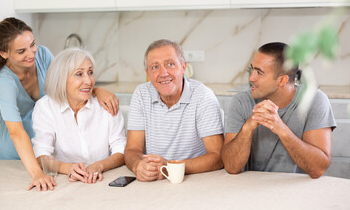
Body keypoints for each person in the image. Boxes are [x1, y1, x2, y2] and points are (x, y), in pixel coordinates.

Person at [0, 17, 119, 191]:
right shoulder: (5, 81)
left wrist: (96, 90)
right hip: (4, 137)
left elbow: (65, 81)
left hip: (28, 132)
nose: (31, 54)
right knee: (7, 187)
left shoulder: (42, 55)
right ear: (4, 53)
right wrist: (37, 174)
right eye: (21, 51)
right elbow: (16, 132)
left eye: (32, 44)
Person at [221, 42, 336, 178]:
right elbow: (231, 167)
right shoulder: (241, 102)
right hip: (251, 188)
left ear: (282, 80)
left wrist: (281, 128)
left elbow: (318, 169)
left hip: (298, 190)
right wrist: (247, 128)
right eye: (252, 70)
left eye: (259, 72)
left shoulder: (314, 100)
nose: (251, 77)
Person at [124, 39, 224, 182]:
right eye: (155, 67)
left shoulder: (203, 96)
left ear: (183, 67)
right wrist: (137, 166)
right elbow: (132, 149)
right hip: (153, 182)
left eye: (170, 64)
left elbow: (217, 156)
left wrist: (171, 167)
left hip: (197, 181)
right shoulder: (141, 94)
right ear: (148, 73)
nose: (163, 73)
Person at [32, 49, 126, 185]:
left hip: (104, 181)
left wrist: (99, 165)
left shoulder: (106, 104)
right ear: (61, 79)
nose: (88, 80)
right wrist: (68, 168)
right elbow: (41, 155)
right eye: (79, 74)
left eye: (90, 72)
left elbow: (121, 150)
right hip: (64, 182)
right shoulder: (45, 107)